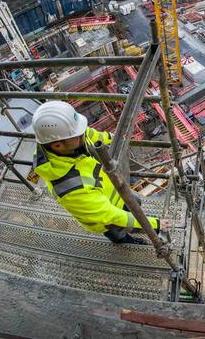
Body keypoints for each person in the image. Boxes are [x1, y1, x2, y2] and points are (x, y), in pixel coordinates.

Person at [31, 101, 160, 244]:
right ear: (57, 145)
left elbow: (91, 135)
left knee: (136, 203)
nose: (83, 133)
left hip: (113, 193)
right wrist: (155, 225)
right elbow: (110, 216)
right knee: (119, 233)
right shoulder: (70, 187)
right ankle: (128, 242)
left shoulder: (67, 139)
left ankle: (135, 227)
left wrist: (113, 139)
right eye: (78, 134)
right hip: (105, 220)